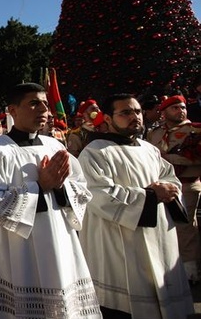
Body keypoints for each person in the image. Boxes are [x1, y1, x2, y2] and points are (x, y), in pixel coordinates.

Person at [0, 83, 100, 318]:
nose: (44, 108)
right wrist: (40, 187)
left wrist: (61, 187)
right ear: (13, 110)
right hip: (17, 246)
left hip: (59, 238)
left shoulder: (54, 145)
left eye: (44, 103)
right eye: (33, 103)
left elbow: (81, 190)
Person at [78, 93, 194, 318]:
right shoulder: (94, 152)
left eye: (138, 112)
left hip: (158, 234)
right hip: (119, 241)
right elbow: (99, 195)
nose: (135, 117)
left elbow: (170, 179)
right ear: (108, 119)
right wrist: (150, 195)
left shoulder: (149, 149)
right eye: (126, 113)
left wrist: (170, 190)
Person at [148, 94, 201, 284]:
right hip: (160, 185)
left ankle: (190, 270)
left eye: (183, 107)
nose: (181, 111)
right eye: (175, 108)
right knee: (163, 225)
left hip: (186, 183)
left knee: (185, 226)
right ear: (163, 112)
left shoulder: (195, 130)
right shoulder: (154, 133)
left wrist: (170, 159)